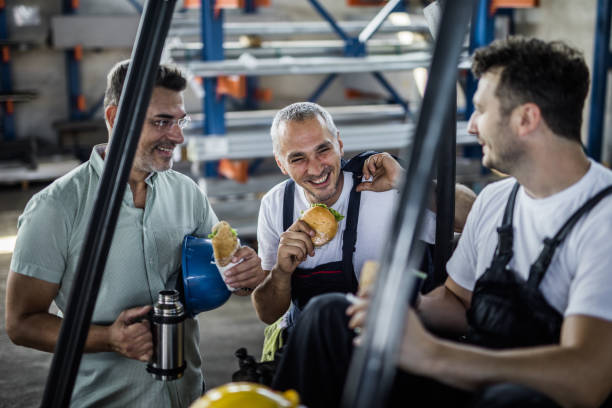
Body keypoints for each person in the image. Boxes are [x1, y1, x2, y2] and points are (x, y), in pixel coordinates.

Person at [272, 37, 612, 408]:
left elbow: (587, 379)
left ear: (526, 119)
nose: (471, 127)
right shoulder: (500, 200)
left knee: (513, 400)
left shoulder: (602, 217)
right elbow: (454, 299)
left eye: (481, 110)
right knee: (329, 315)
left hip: (528, 395)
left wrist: (431, 354)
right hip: (470, 378)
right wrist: (400, 307)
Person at [5, 61, 266, 407]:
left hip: (188, 394)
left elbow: (220, 273)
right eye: (161, 121)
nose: (177, 136)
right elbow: (22, 322)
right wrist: (107, 339)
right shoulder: (56, 207)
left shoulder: (186, 193)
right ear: (115, 118)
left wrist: (244, 273)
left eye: (180, 120)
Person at [251, 102, 474, 336]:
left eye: (323, 150)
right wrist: (281, 272)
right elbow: (267, 314)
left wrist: (409, 183)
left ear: (339, 144)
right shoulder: (276, 205)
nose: (316, 169)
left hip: (393, 345)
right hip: (316, 347)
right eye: (298, 158)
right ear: (281, 164)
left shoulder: (385, 185)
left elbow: (473, 216)